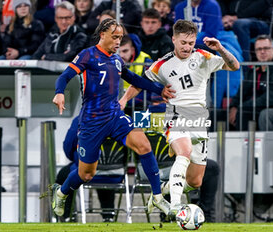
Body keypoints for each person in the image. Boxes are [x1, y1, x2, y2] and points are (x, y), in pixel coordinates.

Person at [51, 18, 175, 217]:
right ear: (102, 35)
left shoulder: (117, 60)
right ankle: (62, 192)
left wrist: (159, 90)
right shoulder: (87, 55)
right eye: (114, 37)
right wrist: (59, 92)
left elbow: (134, 79)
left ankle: (158, 197)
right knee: (86, 173)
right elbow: (64, 76)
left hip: (115, 116)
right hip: (92, 121)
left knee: (144, 145)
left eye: (120, 38)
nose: (118, 42)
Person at [120, 19, 240, 218]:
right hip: (177, 116)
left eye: (191, 43)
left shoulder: (204, 57)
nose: (187, 47)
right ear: (174, 39)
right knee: (183, 152)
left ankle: (162, 192)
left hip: (199, 121)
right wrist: (124, 99)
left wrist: (220, 49)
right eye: (183, 42)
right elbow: (140, 83)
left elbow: (234, 66)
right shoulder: (163, 64)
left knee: (195, 182)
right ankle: (176, 207)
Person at [56, 117, 116, 222]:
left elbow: (68, 146)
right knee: (106, 172)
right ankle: (108, 216)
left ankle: (66, 216)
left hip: (85, 171)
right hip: (114, 173)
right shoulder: (117, 119)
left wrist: (77, 159)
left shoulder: (80, 119)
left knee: (63, 175)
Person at [229, 35, 273, 131]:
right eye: (259, 49)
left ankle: (247, 144)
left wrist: (243, 106)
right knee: (221, 113)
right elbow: (243, 89)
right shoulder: (255, 67)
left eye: (266, 48)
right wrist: (234, 106)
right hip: (260, 105)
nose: (262, 52)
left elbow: (272, 98)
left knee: (245, 111)